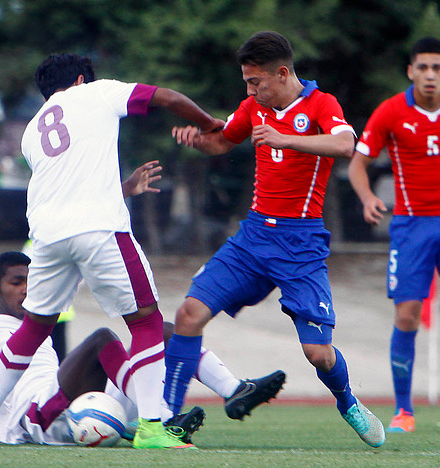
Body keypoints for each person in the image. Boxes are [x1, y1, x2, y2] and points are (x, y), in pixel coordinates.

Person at [0, 53, 225, 449]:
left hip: (47, 236)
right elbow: (168, 97)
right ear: (82, 79)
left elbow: (69, 184)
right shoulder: (98, 93)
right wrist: (209, 124)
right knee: (145, 322)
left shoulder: (32, 131)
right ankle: (153, 428)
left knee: (34, 327)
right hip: (100, 229)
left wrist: (121, 188)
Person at [164, 31, 385, 448]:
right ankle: (164, 421)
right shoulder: (253, 107)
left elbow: (346, 142)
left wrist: (286, 139)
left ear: (282, 73)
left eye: (255, 82)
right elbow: (221, 140)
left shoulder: (321, 104)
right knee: (189, 314)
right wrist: (198, 140)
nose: (249, 90)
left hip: (300, 245)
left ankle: (348, 402)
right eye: (247, 82)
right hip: (252, 239)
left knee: (319, 353)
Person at [0, 251, 286, 445]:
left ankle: (233, 391)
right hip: (33, 422)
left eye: (34, 281)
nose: (28, 289)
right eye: (17, 282)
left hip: (71, 408)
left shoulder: (38, 332)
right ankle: (158, 419)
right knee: (100, 340)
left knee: (167, 332)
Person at [347, 37, 440, 433]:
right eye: (422, 67)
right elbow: (359, 163)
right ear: (410, 71)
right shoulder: (390, 112)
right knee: (407, 315)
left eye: (436, 67)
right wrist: (368, 196)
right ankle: (403, 411)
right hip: (411, 227)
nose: (429, 74)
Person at [19, 160, 163, 363]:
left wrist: (126, 189)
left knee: (51, 362)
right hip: (42, 312)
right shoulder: (38, 241)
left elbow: (86, 207)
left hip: (57, 315)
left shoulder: (47, 230)